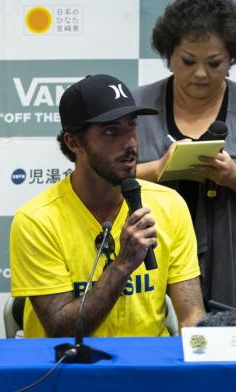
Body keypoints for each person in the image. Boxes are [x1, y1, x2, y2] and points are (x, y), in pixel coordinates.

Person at [10, 74, 205, 338]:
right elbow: (61, 328)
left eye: (132, 126)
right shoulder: (36, 220)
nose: (131, 142)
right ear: (74, 142)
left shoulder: (169, 205)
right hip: (69, 372)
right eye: (111, 130)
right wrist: (123, 264)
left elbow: (192, 317)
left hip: (150, 369)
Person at [133, 0, 236, 308]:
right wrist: (156, 170)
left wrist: (232, 177)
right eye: (189, 61)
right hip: (149, 252)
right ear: (169, 56)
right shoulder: (136, 107)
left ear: (230, 59)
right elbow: (101, 178)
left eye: (214, 63)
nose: (201, 74)